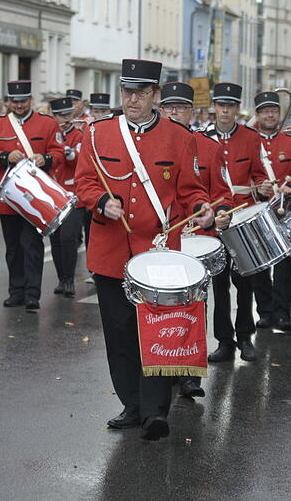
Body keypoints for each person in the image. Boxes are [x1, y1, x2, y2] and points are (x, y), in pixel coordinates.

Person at [74, 59, 227, 440]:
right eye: (127, 92)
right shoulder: (98, 133)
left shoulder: (179, 137)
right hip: (110, 251)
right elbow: (84, 182)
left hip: (158, 253)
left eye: (141, 93)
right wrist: (100, 202)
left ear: (155, 95)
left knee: (157, 331)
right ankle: (132, 405)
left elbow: (190, 189)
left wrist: (202, 209)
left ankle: (155, 411)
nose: (133, 100)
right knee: (120, 332)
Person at [159, 81, 230, 398]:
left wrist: (220, 213)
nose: (174, 113)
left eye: (181, 108)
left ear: (192, 112)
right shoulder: (148, 144)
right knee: (160, 307)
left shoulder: (209, 148)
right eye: (168, 107)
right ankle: (161, 366)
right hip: (160, 239)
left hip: (196, 239)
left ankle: (189, 374)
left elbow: (223, 194)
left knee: (194, 307)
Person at [0, 80, 64, 311]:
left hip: (34, 195)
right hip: (8, 195)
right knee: (13, 247)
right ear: (9, 101)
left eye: (23, 101)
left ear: (31, 100)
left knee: (32, 245)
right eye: (14, 102)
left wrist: (44, 159)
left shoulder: (47, 123)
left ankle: (32, 294)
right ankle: (15, 291)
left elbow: (58, 152)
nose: (18, 105)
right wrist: (5, 156)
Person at [202, 82, 266, 363]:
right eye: (221, 105)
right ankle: (224, 341)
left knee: (245, 281)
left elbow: (260, 174)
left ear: (238, 108)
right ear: (214, 107)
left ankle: (245, 337)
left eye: (230, 106)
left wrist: (263, 186)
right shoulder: (202, 137)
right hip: (216, 218)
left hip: (242, 218)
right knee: (219, 283)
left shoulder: (251, 138)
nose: (225, 110)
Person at [252, 91, 291, 333]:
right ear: (257, 115)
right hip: (256, 211)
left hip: (283, 212)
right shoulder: (249, 142)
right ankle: (265, 312)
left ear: (279, 114)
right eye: (265, 111)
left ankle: (282, 313)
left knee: (284, 266)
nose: (270, 115)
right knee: (260, 265)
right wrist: (257, 187)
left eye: (273, 111)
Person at [47, 96, 84, 298]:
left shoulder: (78, 135)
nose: (65, 119)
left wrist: (68, 153)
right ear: (54, 116)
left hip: (73, 194)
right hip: (52, 193)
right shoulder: (50, 134)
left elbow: (79, 160)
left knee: (68, 238)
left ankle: (69, 280)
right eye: (61, 116)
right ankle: (61, 279)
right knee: (55, 239)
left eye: (68, 114)